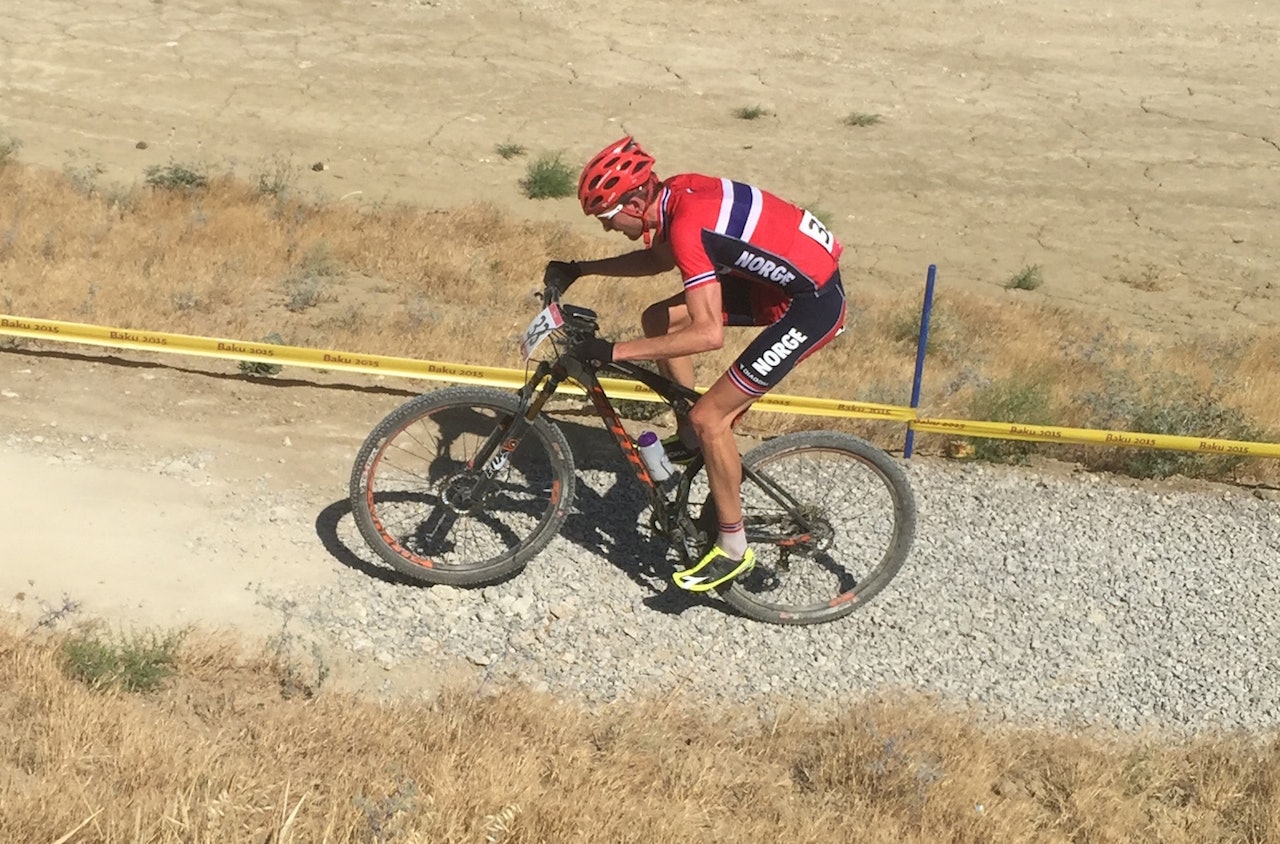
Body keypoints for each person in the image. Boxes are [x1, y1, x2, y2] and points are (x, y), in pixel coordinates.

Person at [544, 136, 847, 593]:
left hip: (811, 305)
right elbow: (657, 259)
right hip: (781, 283)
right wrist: (581, 269)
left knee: (712, 418)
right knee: (659, 320)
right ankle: (690, 436)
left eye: (607, 216)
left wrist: (612, 352)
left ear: (635, 202)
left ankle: (733, 549)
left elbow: (708, 334)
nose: (607, 227)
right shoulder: (676, 195)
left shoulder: (688, 224)